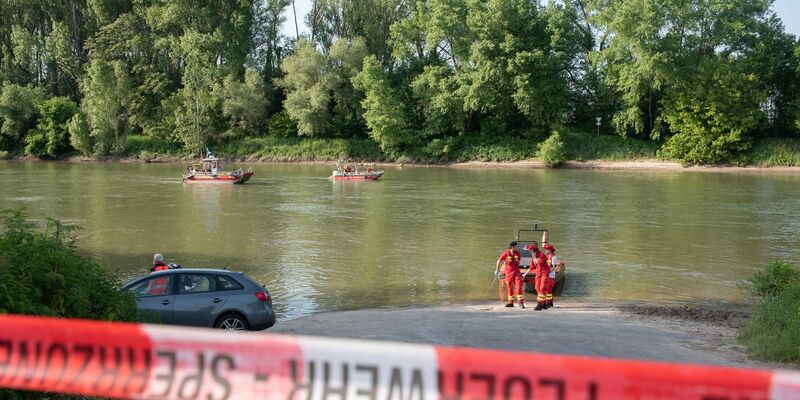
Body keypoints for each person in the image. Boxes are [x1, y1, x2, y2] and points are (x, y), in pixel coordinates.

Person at [496, 242, 524, 308]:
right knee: (509, 287)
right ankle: (510, 303)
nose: (517, 248)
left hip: (516, 272)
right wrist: (497, 269)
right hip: (508, 272)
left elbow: (519, 262)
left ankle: (521, 302)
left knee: (518, 286)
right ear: (512, 247)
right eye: (516, 247)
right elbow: (499, 260)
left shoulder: (518, 253)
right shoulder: (506, 253)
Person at [525, 243, 549, 310]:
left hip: (544, 273)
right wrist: (525, 274)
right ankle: (544, 303)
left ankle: (539, 304)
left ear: (532, 250)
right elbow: (531, 267)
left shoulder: (542, 255)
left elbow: (539, 264)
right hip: (538, 274)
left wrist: (534, 257)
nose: (529, 252)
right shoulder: (533, 256)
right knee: (537, 288)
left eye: (529, 251)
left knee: (542, 288)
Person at [543, 244, 560, 308]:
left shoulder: (553, 257)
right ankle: (550, 302)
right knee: (547, 289)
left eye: (546, 249)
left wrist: (549, 272)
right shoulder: (547, 256)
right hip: (547, 275)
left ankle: (548, 302)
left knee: (549, 289)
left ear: (549, 250)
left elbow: (554, 267)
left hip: (551, 275)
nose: (545, 251)